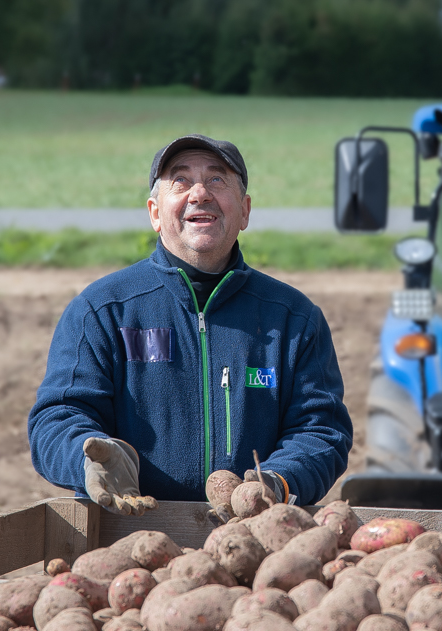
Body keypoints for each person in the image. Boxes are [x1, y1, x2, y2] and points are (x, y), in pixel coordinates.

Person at [28, 134, 353, 514]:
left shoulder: (294, 319)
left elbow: (321, 430)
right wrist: (90, 460)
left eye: (217, 180)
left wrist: (276, 482)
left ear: (245, 211)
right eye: (180, 181)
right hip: (130, 532)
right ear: (154, 212)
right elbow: (56, 419)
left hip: (253, 540)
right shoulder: (101, 311)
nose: (199, 194)